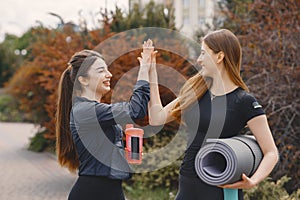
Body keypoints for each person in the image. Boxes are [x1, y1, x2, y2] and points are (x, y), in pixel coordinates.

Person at [143, 29, 279, 199]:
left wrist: (253, 181)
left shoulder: (244, 101)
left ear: (219, 56)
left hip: (222, 189)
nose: (199, 60)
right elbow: (157, 118)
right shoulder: (196, 91)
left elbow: (271, 152)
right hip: (187, 184)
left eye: (203, 53)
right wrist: (151, 73)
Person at [56, 49, 151, 200]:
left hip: (110, 190)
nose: (109, 74)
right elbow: (135, 111)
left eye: (107, 69)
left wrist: (123, 153)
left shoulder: (94, 111)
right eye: (101, 71)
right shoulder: (85, 110)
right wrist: (144, 69)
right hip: (91, 193)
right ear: (83, 80)